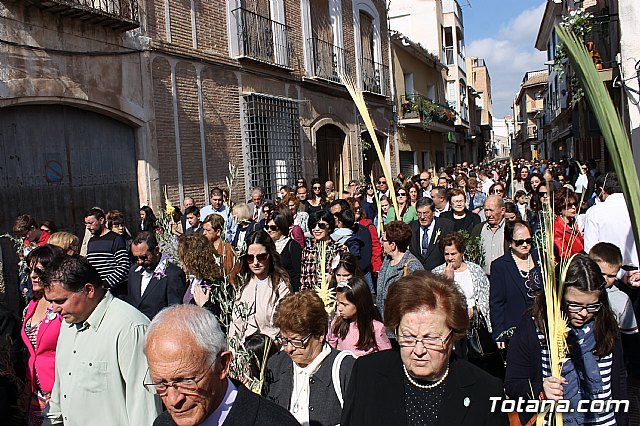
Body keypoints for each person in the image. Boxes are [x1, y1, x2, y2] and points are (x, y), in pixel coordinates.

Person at [341, 271, 509, 425]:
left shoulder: (485, 391)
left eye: (432, 339)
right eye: (408, 337)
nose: (419, 350)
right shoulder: (367, 375)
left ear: (452, 337)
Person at [505, 254, 628, 426]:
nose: (584, 313)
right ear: (558, 297)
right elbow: (513, 384)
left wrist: (622, 419)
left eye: (592, 305)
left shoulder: (606, 325)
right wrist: (540, 390)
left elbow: (619, 380)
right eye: (575, 305)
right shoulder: (533, 328)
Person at [42, 256, 161, 425]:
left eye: (60, 301)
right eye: (51, 302)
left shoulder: (130, 327)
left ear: (89, 290)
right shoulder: (68, 324)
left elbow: (144, 408)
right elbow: (61, 389)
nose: (54, 308)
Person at [145, 305, 299, 426]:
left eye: (186, 381)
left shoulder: (275, 422)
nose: (173, 400)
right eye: (161, 384)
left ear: (223, 365)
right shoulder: (164, 423)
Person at [263, 291, 356, 426]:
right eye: (284, 340)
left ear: (320, 334)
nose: (289, 349)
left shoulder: (345, 369)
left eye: (297, 341)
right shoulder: (276, 365)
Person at [20, 245, 64, 426]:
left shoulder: (63, 307)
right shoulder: (31, 305)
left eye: (38, 270)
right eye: (30, 270)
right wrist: (27, 387)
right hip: (36, 394)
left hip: (59, 391)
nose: (32, 276)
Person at [590, 243, 640, 380]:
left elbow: (631, 339)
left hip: (609, 365)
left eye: (611, 275)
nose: (605, 279)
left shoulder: (620, 299)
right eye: (601, 274)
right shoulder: (575, 293)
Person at [230, 231, 291, 343]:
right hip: (243, 352)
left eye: (261, 257)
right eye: (250, 258)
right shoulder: (242, 284)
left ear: (270, 255)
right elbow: (235, 327)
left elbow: (284, 327)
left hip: (271, 351)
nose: (255, 262)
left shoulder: (280, 287)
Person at [489, 220, 541, 347]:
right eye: (520, 242)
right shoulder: (500, 266)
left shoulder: (540, 257)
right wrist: (500, 332)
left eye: (528, 241)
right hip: (517, 327)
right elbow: (497, 303)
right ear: (510, 242)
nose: (525, 245)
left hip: (543, 324)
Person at [126, 231, 187, 320]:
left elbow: (175, 311)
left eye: (143, 257)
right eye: (135, 258)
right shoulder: (134, 272)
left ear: (156, 250)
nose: (139, 262)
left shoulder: (173, 274)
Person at [584, 172, 638, 267]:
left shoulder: (594, 212)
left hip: (610, 274)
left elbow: (590, 251)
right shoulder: (636, 208)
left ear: (602, 191)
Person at [327, 276, 391, 355]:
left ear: (359, 304)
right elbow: (331, 346)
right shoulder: (337, 323)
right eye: (338, 303)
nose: (339, 308)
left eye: (344, 304)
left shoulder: (375, 327)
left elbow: (386, 354)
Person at [376, 221, 423, 319]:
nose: (381, 242)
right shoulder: (387, 260)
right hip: (385, 321)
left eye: (383, 240)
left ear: (393, 245)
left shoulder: (413, 267)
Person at [84, 207, 130, 296]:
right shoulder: (91, 241)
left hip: (116, 291)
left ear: (101, 220)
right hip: (98, 292)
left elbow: (124, 266)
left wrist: (106, 284)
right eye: (86, 224)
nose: (88, 227)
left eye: (91, 223)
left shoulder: (116, 239)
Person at [300, 210, 348, 291]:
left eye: (321, 225)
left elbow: (346, 277)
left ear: (329, 227)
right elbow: (304, 280)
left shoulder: (340, 250)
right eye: (313, 226)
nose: (316, 229)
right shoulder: (307, 251)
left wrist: (332, 279)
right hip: (312, 299)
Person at [408, 197, 454, 271]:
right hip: (417, 275)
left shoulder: (446, 226)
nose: (422, 217)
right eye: (419, 213)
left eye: (426, 213)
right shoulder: (412, 227)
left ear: (433, 213)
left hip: (439, 274)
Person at [471, 195, 508, 276]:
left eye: (491, 210)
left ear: (502, 210)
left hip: (506, 277)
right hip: (484, 278)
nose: (488, 214)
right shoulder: (478, 229)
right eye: (486, 211)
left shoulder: (511, 228)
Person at [265, 211, 302, 292]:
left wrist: (295, 292)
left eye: (273, 227)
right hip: (270, 289)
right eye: (267, 227)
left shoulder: (293, 245)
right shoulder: (267, 245)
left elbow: (297, 272)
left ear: (281, 227)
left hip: (288, 290)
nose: (269, 230)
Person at [351, 197, 383, 277]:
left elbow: (376, 246)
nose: (358, 210)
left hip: (366, 268)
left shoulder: (367, 225)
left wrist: (376, 266)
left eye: (359, 208)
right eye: (355, 209)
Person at [203, 214, 239, 284]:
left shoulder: (226, 250)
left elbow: (231, 275)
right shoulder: (205, 246)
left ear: (218, 231)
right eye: (204, 229)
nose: (204, 233)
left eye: (208, 230)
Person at [553, 188, 584, 260]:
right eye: (569, 205)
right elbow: (563, 254)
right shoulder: (557, 227)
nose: (574, 207)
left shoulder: (573, 223)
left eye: (575, 204)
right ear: (560, 208)